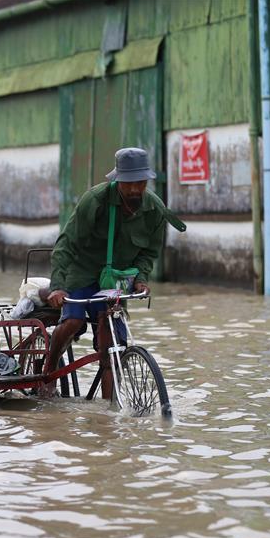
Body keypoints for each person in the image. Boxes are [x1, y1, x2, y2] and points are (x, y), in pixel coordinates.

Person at [43, 147, 182, 400]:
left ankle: (108, 412)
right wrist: (58, 286)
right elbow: (66, 244)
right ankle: (49, 366)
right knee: (73, 321)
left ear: (146, 181)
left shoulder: (155, 210)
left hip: (116, 279)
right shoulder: (95, 200)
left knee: (114, 349)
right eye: (128, 184)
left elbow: (148, 254)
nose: (133, 190)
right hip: (82, 272)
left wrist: (140, 279)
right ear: (118, 180)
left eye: (139, 183)